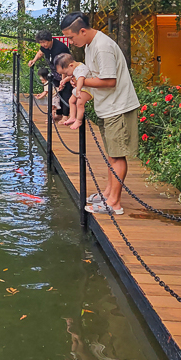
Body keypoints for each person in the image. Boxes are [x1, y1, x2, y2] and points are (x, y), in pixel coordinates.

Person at [59, 12, 140, 216]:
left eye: (71, 37)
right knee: (112, 154)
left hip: (118, 107)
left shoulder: (102, 47)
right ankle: (108, 193)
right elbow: (94, 77)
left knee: (117, 155)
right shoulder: (89, 45)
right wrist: (77, 81)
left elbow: (109, 80)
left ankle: (114, 203)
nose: (71, 42)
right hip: (108, 107)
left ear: (83, 31)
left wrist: (81, 82)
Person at [55, 53, 93, 130]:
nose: (66, 74)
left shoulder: (81, 69)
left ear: (71, 65)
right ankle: (72, 117)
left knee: (79, 103)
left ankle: (79, 120)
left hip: (87, 89)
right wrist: (65, 80)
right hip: (81, 88)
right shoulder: (75, 68)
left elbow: (80, 79)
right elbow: (72, 76)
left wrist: (78, 90)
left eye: (65, 73)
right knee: (71, 101)